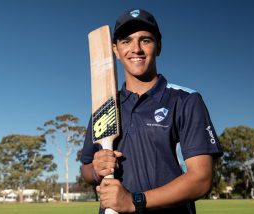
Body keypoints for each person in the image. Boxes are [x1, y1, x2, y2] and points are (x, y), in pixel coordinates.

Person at [81, 8, 223, 214]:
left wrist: (134, 201)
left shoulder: (185, 100)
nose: (136, 48)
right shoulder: (104, 106)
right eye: (126, 41)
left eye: (145, 40)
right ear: (115, 49)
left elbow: (201, 179)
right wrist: (96, 170)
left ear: (158, 47)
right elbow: (86, 168)